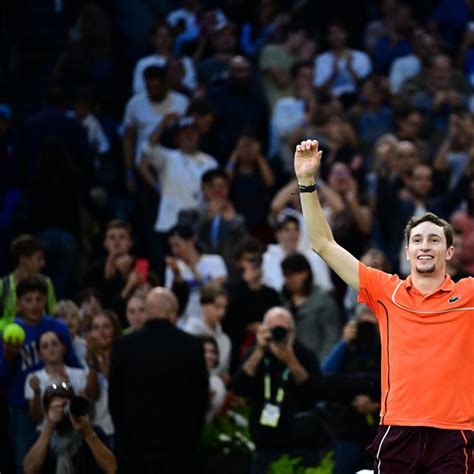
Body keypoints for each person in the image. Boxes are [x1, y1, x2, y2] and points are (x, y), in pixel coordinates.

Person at [293, 139, 474, 471]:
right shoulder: (385, 290)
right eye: (417, 240)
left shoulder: (469, 295)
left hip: (454, 434)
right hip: (398, 429)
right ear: (406, 251)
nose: (424, 246)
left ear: (449, 252)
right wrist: (306, 183)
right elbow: (323, 244)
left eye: (435, 239)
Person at [109, 287, 208, 473]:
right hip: (178, 450)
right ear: (172, 313)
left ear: (147, 311)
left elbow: (115, 397)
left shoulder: (124, 345)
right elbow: (200, 399)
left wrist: (123, 439)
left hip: (134, 448)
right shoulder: (191, 346)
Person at [0, 275, 81, 473]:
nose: (34, 305)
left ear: (46, 301)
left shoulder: (57, 327)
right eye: (28, 300)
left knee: (63, 459)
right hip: (22, 408)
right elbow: (2, 377)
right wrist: (9, 356)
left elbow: (73, 363)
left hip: (58, 403)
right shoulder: (11, 331)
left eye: (39, 299)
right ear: (18, 303)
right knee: (25, 461)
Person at [232, 307, 322, 474]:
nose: (280, 334)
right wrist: (258, 351)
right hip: (264, 443)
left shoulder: (304, 354)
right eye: (275, 329)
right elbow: (239, 387)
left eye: (284, 330)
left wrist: (291, 361)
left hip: (299, 444)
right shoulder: (257, 352)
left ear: (293, 332)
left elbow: (314, 393)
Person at [23, 382, 116, 474]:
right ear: (46, 412)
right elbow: (29, 470)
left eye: (66, 406)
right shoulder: (41, 438)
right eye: (57, 407)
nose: (63, 412)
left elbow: (112, 468)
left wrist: (88, 434)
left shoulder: (92, 432)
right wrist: (49, 427)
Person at [25, 331, 88, 428]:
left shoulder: (79, 374)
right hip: (46, 434)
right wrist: (37, 392)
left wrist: (67, 387)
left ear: (63, 348)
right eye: (45, 346)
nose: (51, 348)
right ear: (39, 354)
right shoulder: (33, 378)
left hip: (76, 433)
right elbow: (36, 418)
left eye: (54, 344)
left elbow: (83, 412)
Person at [0, 235, 57, 331]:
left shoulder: (46, 283)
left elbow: (53, 315)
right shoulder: (3, 286)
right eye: (39, 258)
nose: (43, 263)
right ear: (24, 259)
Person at [183, 283, 231, 379]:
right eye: (217, 307)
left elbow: (224, 371)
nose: (222, 313)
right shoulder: (189, 333)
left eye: (224, 308)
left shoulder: (225, 340)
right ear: (203, 304)